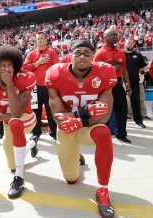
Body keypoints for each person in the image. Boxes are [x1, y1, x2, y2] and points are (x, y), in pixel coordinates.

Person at [46, 40, 117, 218]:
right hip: (67, 129)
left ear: (93, 56)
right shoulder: (55, 73)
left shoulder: (104, 72)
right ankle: (76, 156)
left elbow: (104, 116)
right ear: (70, 56)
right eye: (78, 53)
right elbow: (58, 116)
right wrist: (85, 112)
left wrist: (78, 120)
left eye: (87, 53)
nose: (82, 56)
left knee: (103, 132)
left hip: (88, 127)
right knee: (71, 180)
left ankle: (103, 189)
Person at [0, 45, 38, 198]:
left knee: (15, 122)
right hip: (9, 121)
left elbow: (17, 112)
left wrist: (10, 84)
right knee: (12, 166)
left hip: (27, 118)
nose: (7, 69)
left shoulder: (25, 78)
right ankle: (32, 143)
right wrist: (7, 118)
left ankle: (19, 178)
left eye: (10, 65)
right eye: (3, 65)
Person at [93, 28, 132, 144]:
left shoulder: (120, 52)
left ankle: (121, 134)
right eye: (112, 35)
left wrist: (127, 84)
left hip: (118, 84)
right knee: (102, 112)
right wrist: (110, 69)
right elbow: (95, 72)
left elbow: (124, 70)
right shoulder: (100, 53)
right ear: (105, 38)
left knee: (122, 110)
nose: (116, 36)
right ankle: (100, 136)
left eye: (116, 34)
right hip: (105, 86)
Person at [23, 31, 59, 140]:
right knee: (36, 110)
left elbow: (57, 67)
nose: (40, 40)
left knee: (50, 110)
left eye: (42, 38)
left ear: (46, 39)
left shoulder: (52, 52)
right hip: (35, 87)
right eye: (38, 38)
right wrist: (38, 62)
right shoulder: (31, 54)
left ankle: (53, 132)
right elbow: (25, 68)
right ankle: (36, 133)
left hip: (49, 87)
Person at [124, 38, 147, 128]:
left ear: (133, 44)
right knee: (121, 103)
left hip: (134, 83)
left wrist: (138, 75)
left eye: (131, 43)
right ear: (124, 44)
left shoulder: (138, 55)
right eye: (128, 43)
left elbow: (143, 67)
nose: (130, 44)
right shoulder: (120, 54)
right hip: (122, 83)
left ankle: (138, 122)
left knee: (136, 103)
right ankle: (121, 123)